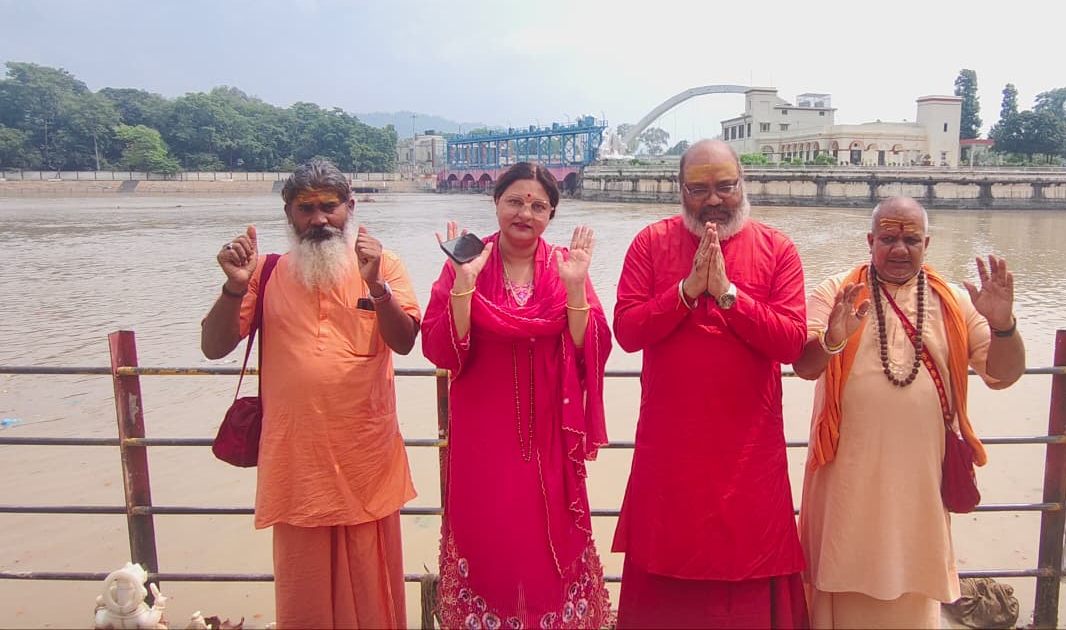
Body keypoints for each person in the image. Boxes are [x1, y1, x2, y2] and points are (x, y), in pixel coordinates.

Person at [200, 159, 421, 629]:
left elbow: (403, 342)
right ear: (289, 213)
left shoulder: (385, 265)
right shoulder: (264, 272)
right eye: (306, 209)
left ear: (350, 207)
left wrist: (377, 286)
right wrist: (233, 287)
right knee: (305, 596)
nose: (319, 219)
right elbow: (214, 347)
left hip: (366, 459)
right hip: (296, 464)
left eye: (329, 207)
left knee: (373, 591)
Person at [793, 195, 1026, 629]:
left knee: (912, 583)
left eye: (911, 240)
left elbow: (1004, 374)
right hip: (845, 478)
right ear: (870, 241)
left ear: (927, 244)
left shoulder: (956, 302)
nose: (899, 249)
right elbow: (805, 367)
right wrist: (832, 339)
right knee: (839, 573)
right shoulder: (838, 292)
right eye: (888, 239)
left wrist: (1003, 326)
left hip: (919, 482)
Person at [612, 139, 810, 629]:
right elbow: (628, 332)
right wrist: (684, 293)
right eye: (698, 189)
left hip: (748, 453)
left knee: (748, 565)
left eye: (725, 186)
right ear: (680, 190)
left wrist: (728, 296)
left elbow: (790, 342)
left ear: (744, 183)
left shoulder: (778, 249)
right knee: (664, 570)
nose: (713, 200)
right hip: (671, 451)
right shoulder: (650, 243)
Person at [421, 162, 613, 629]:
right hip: (483, 437)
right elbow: (440, 348)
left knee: (547, 545)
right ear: (495, 202)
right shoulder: (466, 260)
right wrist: (463, 286)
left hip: (550, 434)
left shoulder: (565, 266)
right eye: (515, 201)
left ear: (551, 214)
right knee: (490, 539)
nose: (525, 214)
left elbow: (590, 348)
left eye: (538, 206)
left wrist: (575, 289)